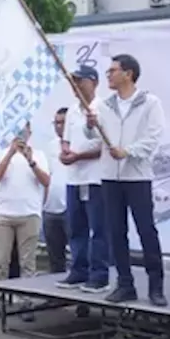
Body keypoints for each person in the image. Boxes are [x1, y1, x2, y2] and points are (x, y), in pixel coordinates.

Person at [91, 53, 168, 306]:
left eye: (113, 71)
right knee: (116, 231)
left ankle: (156, 286)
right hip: (110, 177)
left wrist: (128, 151)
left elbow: (154, 136)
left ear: (129, 74)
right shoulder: (104, 105)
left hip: (137, 176)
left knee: (146, 230)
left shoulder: (150, 103)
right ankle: (125, 284)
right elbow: (92, 134)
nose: (109, 75)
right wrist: (89, 124)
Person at [0, 124, 51, 320]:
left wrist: (30, 160)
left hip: (30, 213)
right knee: (0, 261)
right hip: (4, 214)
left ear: (30, 133)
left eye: (24, 131)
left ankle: (25, 302)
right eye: (17, 131)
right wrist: (10, 154)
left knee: (27, 263)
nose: (20, 135)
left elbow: (46, 181)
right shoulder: (0, 154)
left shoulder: (39, 154)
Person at [58, 66, 110, 293]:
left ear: (94, 82)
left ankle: (99, 275)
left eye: (81, 81)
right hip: (74, 178)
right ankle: (78, 271)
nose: (76, 85)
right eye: (74, 81)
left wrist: (79, 155)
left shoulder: (104, 108)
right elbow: (66, 140)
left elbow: (106, 145)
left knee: (98, 228)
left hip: (96, 178)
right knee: (76, 227)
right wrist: (65, 152)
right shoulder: (71, 111)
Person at [43, 108, 70, 273]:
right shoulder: (50, 147)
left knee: (77, 251)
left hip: (71, 206)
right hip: (50, 207)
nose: (58, 126)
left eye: (62, 123)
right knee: (54, 255)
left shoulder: (80, 146)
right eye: (56, 123)